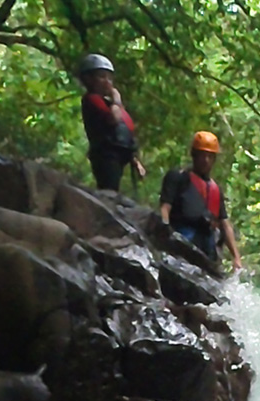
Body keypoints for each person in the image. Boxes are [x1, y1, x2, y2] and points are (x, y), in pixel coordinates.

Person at [159, 131, 242, 269]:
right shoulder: (178, 178)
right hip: (183, 240)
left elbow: (225, 224)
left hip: (207, 245)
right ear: (194, 155)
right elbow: (165, 207)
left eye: (210, 156)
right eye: (202, 155)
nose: (206, 160)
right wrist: (165, 233)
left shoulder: (215, 189)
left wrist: (236, 257)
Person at [78, 53, 145, 192]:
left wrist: (135, 160)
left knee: (114, 190)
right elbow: (114, 119)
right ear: (88, 79)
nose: (107, 82)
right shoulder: (92, 99)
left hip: (120, 153)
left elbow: (125, 131)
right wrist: (117, 100)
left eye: (109, 78)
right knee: (109, 190)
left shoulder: (108, 103)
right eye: (102, 77)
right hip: (106, 155)